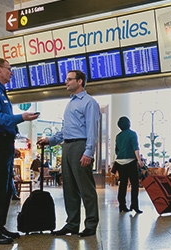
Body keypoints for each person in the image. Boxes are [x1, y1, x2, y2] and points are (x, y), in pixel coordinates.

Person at [0, 57, 40, 244]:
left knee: (5, 189)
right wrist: (21, 117)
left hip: (4, 142)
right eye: (9, 69)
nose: (11, 72)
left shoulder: (0, 91)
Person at [37, 70, 100, 238]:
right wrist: (50, 140)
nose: (66, 82)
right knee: (69, 188)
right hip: (67, 147)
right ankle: (72, 224)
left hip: (80, 146)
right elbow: (65, 130)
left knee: (86, 188)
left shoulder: (89, 102)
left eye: (69, 79)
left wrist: (89, 152)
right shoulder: (70, 103)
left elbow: (92, 130)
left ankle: (91, 224)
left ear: (80, 81)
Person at [113, 116, 144, 213]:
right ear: (129, 124)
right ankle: (134, 205)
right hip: (130, 162)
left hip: (120, 162)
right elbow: (136, 147)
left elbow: (116, 150)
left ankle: (122, 205)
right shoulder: (132, 134)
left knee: (123, 184)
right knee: (134, 184)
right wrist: (139, 160)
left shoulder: (118, 136)